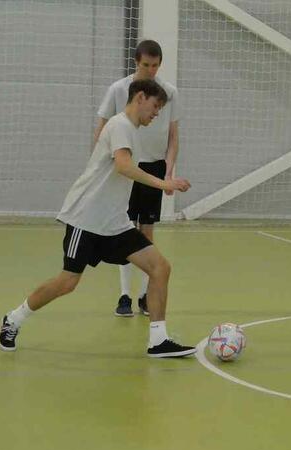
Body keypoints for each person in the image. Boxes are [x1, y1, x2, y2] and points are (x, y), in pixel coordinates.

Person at [0, 79, 195, 358]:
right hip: (87, 219)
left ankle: (158, 340)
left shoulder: (133, 132)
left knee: (160, 268)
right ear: (140, 97)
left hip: (115, 224)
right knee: (68, 282)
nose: (157, 114)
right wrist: (165, 184)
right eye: (155, 106)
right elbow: (123, 166)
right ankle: (13, 319)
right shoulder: (119, 125)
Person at [94, 39, 181, 318]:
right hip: (127, 165)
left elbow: (173, 136)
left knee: (147, 230)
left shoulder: (169, 93)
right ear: (136, 62)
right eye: (146, 65)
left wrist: (169, 171)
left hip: (154, 167)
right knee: (125, 228)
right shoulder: (119, 89)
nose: (151, 70)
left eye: (155, 65)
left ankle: (144, 294)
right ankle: (124, 295)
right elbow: (102, 130)